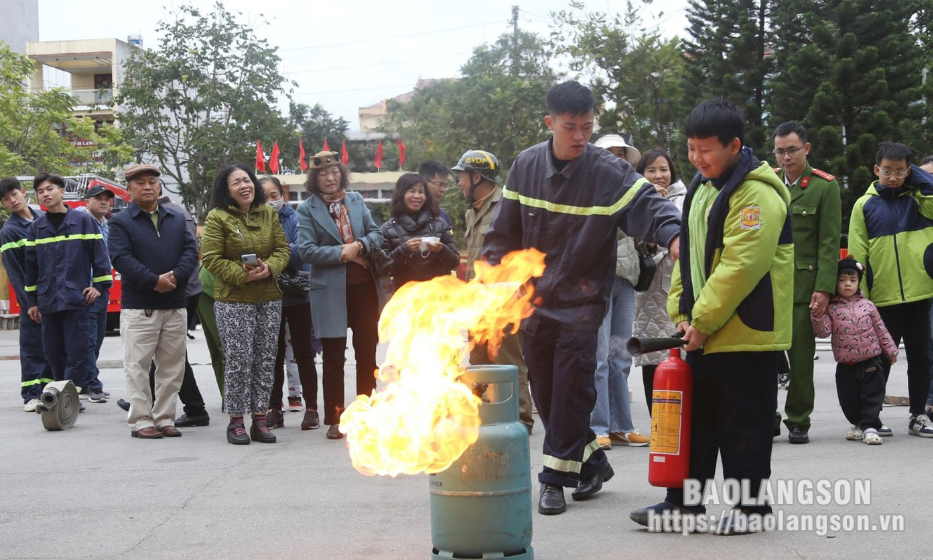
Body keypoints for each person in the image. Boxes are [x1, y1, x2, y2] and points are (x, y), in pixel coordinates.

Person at [482, 81, 681, 516]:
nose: (579, 137)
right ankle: (592, 463)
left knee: (572, 387)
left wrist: (674, 236)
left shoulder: (608, 174)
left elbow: (651, 206)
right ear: (549, 122)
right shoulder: (526, 166)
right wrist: (491, 274)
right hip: (533, 303)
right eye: (570, 127)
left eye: (587, 127)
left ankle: (553, 480)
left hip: (582, 305)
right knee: (547, 392)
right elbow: (503, 232)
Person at [629, 99, 793, 533]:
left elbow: (739, 268)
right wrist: (681, 313)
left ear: (735, 145)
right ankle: (683, 504)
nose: (696, 158)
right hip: (702, 330)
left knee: (745, 426)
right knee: (694, 425)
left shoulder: (758, 194)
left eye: (706, 150)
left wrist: (700, 322)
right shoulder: (702, 188)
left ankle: (750, 510)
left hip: (746, 334)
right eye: (691, 148)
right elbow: (687, 259)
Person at [296, 151, 385, 441]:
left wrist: (358, 245)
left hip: (364, 289)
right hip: (330, 291)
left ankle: (364, 411)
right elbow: (306, 250)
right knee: (334, 357)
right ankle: (335, 417)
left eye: (334, 172)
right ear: (314, 179)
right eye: (323, 174)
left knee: (367, 353)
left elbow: (377, 234)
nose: (330, 178)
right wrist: (341, 253)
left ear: (341, 173)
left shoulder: (356, 201)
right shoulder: (306, 209)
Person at [847, 142, 933, 438]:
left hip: (921, 293)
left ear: (909, 171)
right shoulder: (864, 204)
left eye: (900, 172)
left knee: (922, 358)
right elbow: (858, 255)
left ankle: (918, 414)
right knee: (879, 360)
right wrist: (860, 299)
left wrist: (919, 178)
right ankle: (871, 417)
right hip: (882, 298)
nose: (893, 177)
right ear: (876, 170)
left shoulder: (921, 201)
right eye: (887, 171)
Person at [201, 164, 290, 445]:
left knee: (265, 361)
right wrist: (243, 274)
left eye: (246, 180)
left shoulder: (268, 213)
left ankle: (260, 419)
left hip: (269, 297)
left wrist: (270, 268)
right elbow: (211, 258)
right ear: (226, 191)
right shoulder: (217, 217)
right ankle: (236, 421)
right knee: (239, 361)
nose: (244, 185)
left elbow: (282, 249)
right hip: (234, 299)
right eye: (236, 182)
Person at [109, 164, 198, 439]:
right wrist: (153, 280)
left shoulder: (175, 217)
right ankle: (140, 420)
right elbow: (121, 258)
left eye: (152, 182)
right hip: (140, 306)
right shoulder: (121, 221)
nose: (147, 187)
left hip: (175, 304)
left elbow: (191, 251)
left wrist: (174, 278)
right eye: (140, 183)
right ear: (129, 189)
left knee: (172, 366)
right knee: (137, 366)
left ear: (160, 187)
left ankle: (165, 417)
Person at [453, 149, 535, 434]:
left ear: (477, 177)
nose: (459, 183)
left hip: (505, 296)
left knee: (507, 359)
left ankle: (521, 417)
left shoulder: (508, 206)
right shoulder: (470, 211)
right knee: (478, 359)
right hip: (478, 297)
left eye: (462, 177)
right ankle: (485, 415)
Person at [771, 121, 842, 444]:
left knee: (800, 360)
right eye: (780, 151)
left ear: (807, 149)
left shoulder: (824, 187)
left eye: (792, 150)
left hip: (803, 287)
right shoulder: (767, 183)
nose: (786, 157)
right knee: (763, 358)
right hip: (767, 286)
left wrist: (824, 287)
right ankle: (765, 417)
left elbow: (829, 242)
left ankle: (798, 419)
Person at [24, 173, 112, 412]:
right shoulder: (36, 228)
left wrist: (100, 286)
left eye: (50, 189)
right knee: (53, 352)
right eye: (41, 191)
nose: (45, 194)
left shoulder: (83, 222)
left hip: (76, 299)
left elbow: (100, 258)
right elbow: (31, 269)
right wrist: (32, 301)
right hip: (48, 301)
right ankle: (63, 395)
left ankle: (67, 397)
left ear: (62, 192)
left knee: (78, 352)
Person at [587, 134, 650, 450]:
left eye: (620, 154)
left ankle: (622, 426)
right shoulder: (584, 191)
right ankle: (598, 427)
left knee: (620, 356)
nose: (615, 159)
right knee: (598, 358)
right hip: (594, 283)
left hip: (624, 279)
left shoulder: (634, 189)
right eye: (608, 154)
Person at [811, 257, 898, 445]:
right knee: (848, 400)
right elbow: (823, 332)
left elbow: (881, 329)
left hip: (871, 361)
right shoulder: (830, 308)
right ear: (835, 283)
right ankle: (859, 424)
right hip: (846, 365)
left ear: (858, 282)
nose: (847, 284)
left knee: (872, 395)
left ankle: (870, 427)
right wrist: (817, 315)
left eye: (852, 280)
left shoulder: (868, 305)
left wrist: (891, 350)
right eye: (842, 280)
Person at [259, 175, 322, 431]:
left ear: (283, 195)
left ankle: (312, 408)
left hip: (298, 296)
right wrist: (285, 250)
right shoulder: (255, 221)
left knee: (304, 354)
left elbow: (300, 255)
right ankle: (274, 408)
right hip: (268, 297)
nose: (271, 201)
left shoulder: (296, 219)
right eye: (265, 197)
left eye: (275, 195)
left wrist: (273, 255)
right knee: (272, 355)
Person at [631, 149, 687, 416]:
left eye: (663, 169)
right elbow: (639, 243)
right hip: (650, 289)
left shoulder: (687, 198)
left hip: (680, 284)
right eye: (651, 170)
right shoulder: (636, 200)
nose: (658, 175)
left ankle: (684, 420)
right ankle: (659, 422)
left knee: (682, 352)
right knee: (652, 353)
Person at [0, 178, 53, 412]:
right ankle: (31, 395)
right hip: (32, 299)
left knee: (54, 345)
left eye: (14, 194)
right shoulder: (9, 231)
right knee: (32, 347)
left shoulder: (46, 218)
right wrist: (30, 303)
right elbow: (16, 273)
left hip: (54, 295)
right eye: (5, 199)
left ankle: (51, 392)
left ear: (23, 192)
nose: (12, 200)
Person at [380, 173, 459, 291]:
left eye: (421, 192)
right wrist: (404, 250)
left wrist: (442, 250)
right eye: (412, 191)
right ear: (401, 194)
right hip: (405, 298)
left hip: (438, 295)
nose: (417, 196)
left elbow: (454, 263)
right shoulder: (387, 229)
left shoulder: (439, 223)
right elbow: (384, 269)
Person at [79, 185, 115, 404]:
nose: (104, 202)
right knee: (89, 340)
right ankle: (93, 385)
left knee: (98, 338)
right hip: (87, 291)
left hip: (102, 289)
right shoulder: (79, 223)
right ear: (87, 201)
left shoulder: (107, 225)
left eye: (106, 199)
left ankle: (84, 382)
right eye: (98, 198)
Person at [418, 161, 452, 227]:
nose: (443, 189)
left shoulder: (443, 215)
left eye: (445, 185)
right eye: (440, 184)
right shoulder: (409, 214)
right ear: (424, 181)